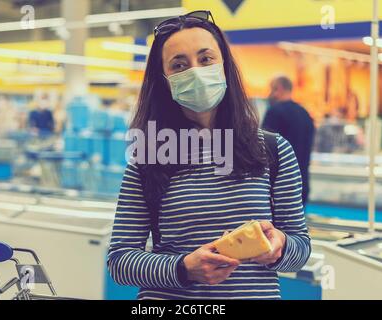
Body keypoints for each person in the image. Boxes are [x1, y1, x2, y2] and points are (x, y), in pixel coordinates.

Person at [107, 11, 310, 300]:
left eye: (205, 59)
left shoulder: (274, 150)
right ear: (164, 80)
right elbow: (119, 261)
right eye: (179, 65)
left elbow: (300, 248)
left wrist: (280, 247)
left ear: (224, 65)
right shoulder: (147, 158)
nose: (195, 71)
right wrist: (183, 268)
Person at [263, 76, 315, 205]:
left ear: (279, 89)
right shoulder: (305, 113)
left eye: (272, 90)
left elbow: (263, 148)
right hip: (301, 183)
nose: (270, 94)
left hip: (278, 186)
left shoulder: (274, 112)